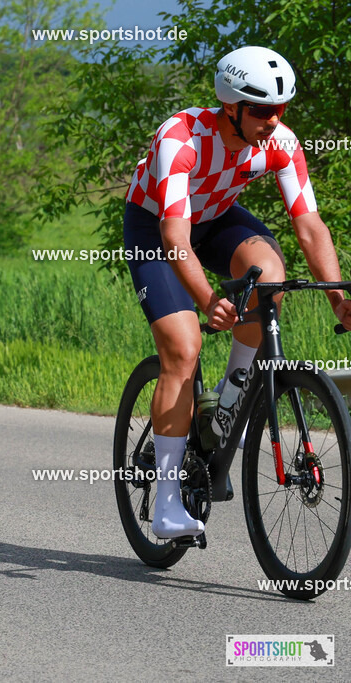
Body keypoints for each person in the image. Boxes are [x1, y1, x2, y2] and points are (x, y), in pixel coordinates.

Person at [123, 46, 351, 538]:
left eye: (281, 109)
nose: (274, 120)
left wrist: (337, 298)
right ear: (232, 107)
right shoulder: (180, 139)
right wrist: (208, 300)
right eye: (263, 110)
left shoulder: (281, 142)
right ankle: (165, 504)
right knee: (184, 349)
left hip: (216, 218)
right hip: (157, 227)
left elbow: (309, 226)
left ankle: (228, 404)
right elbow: (174, 239)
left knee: (270, 275)